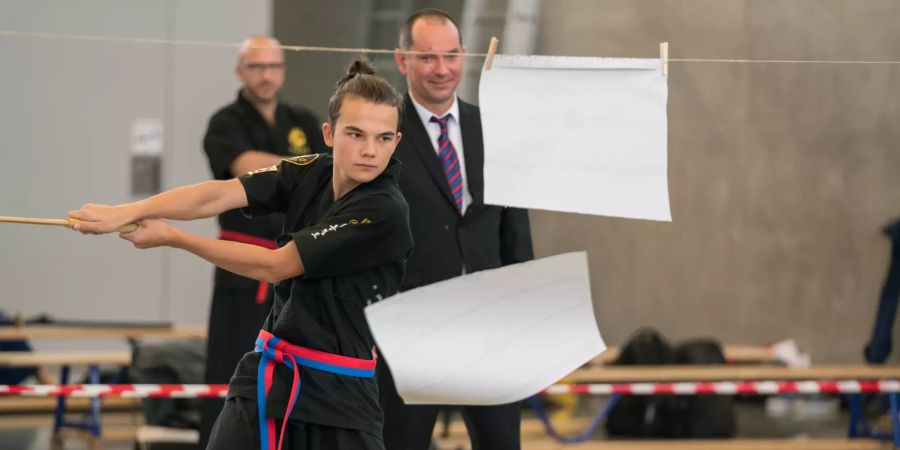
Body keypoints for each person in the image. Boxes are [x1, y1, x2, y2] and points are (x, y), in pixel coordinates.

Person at [69, 60, 411, 450]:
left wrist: (173, 237)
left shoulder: (385, 208)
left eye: (383, 138)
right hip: (271, 375)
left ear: (396, 142)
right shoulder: (312, 171)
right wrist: (127, 212)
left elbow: (276, 265)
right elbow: (220, 193)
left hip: (340, 396)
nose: (370, 150)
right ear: (330, 135)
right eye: (356, 134)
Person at [379, 8, 534, 450]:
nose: (442, 69)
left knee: (502, 442)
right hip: (411, 325)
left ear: (465, 54)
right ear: (402, 60)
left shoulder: (494, 129)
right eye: (428, 58)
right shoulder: (384, 137)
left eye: (451, 56)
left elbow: (514, 229)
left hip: (490, 325)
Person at [200, 35, 328, 444]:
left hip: (295, 261)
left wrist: (303, 167)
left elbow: (323, 166)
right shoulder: (226, 122)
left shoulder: (303, 118)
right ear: (241, 71)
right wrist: (302, 167)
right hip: (243, 265)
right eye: (257, 67)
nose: (267, 75)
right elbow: (246, 167)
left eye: (274, 66)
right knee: (232, 362)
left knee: (296, 364)